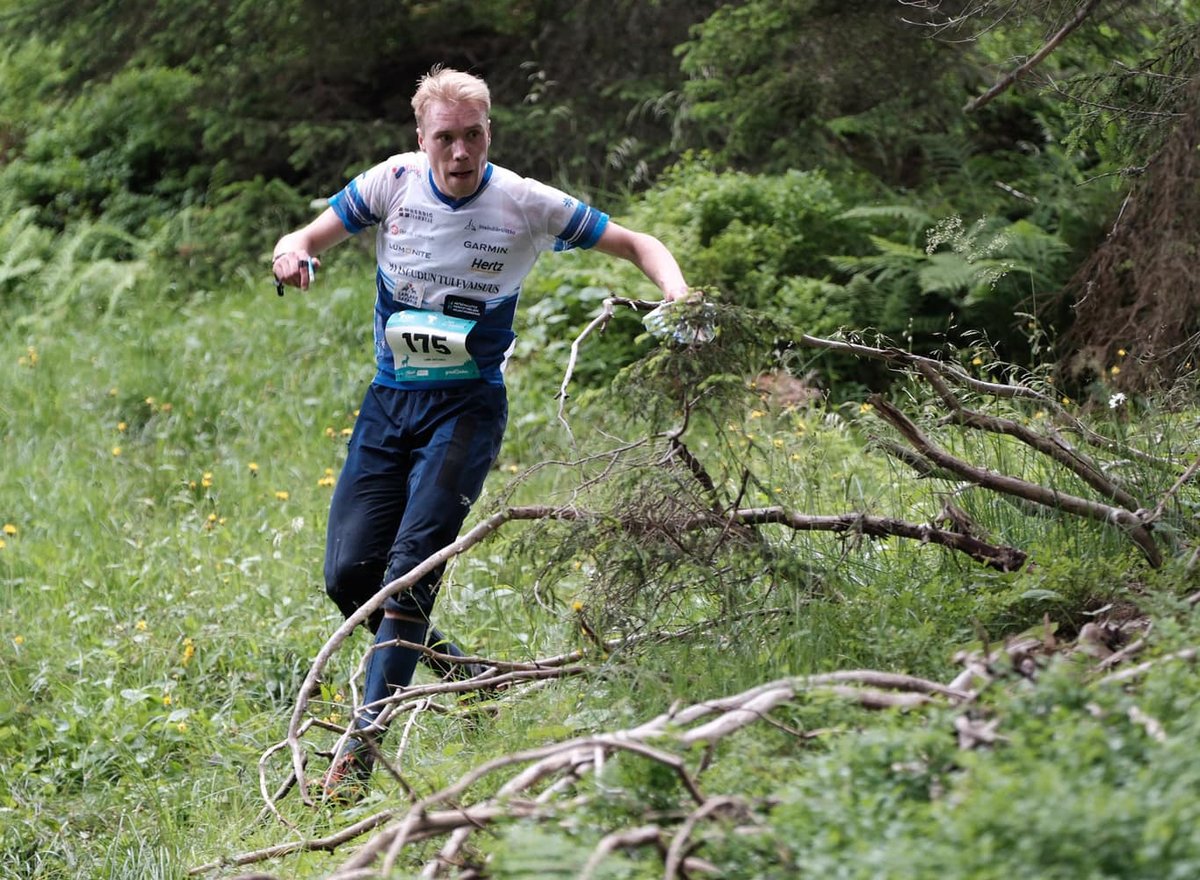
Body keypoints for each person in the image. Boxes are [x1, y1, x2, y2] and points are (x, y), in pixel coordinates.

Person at [271, 66, 691, 802]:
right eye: (445, 138)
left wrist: (678, 296)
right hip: (387, 406)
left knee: (409, 570)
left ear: (489, 134)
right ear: (421, 139)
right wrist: (294, 254)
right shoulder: (393, 182)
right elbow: (307, 234)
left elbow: (638, 242)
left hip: (465, 413)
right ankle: (471, 678)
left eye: (472, 136)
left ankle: (360, 750)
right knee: (348, 580)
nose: (459, 153)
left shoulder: (523, 202)